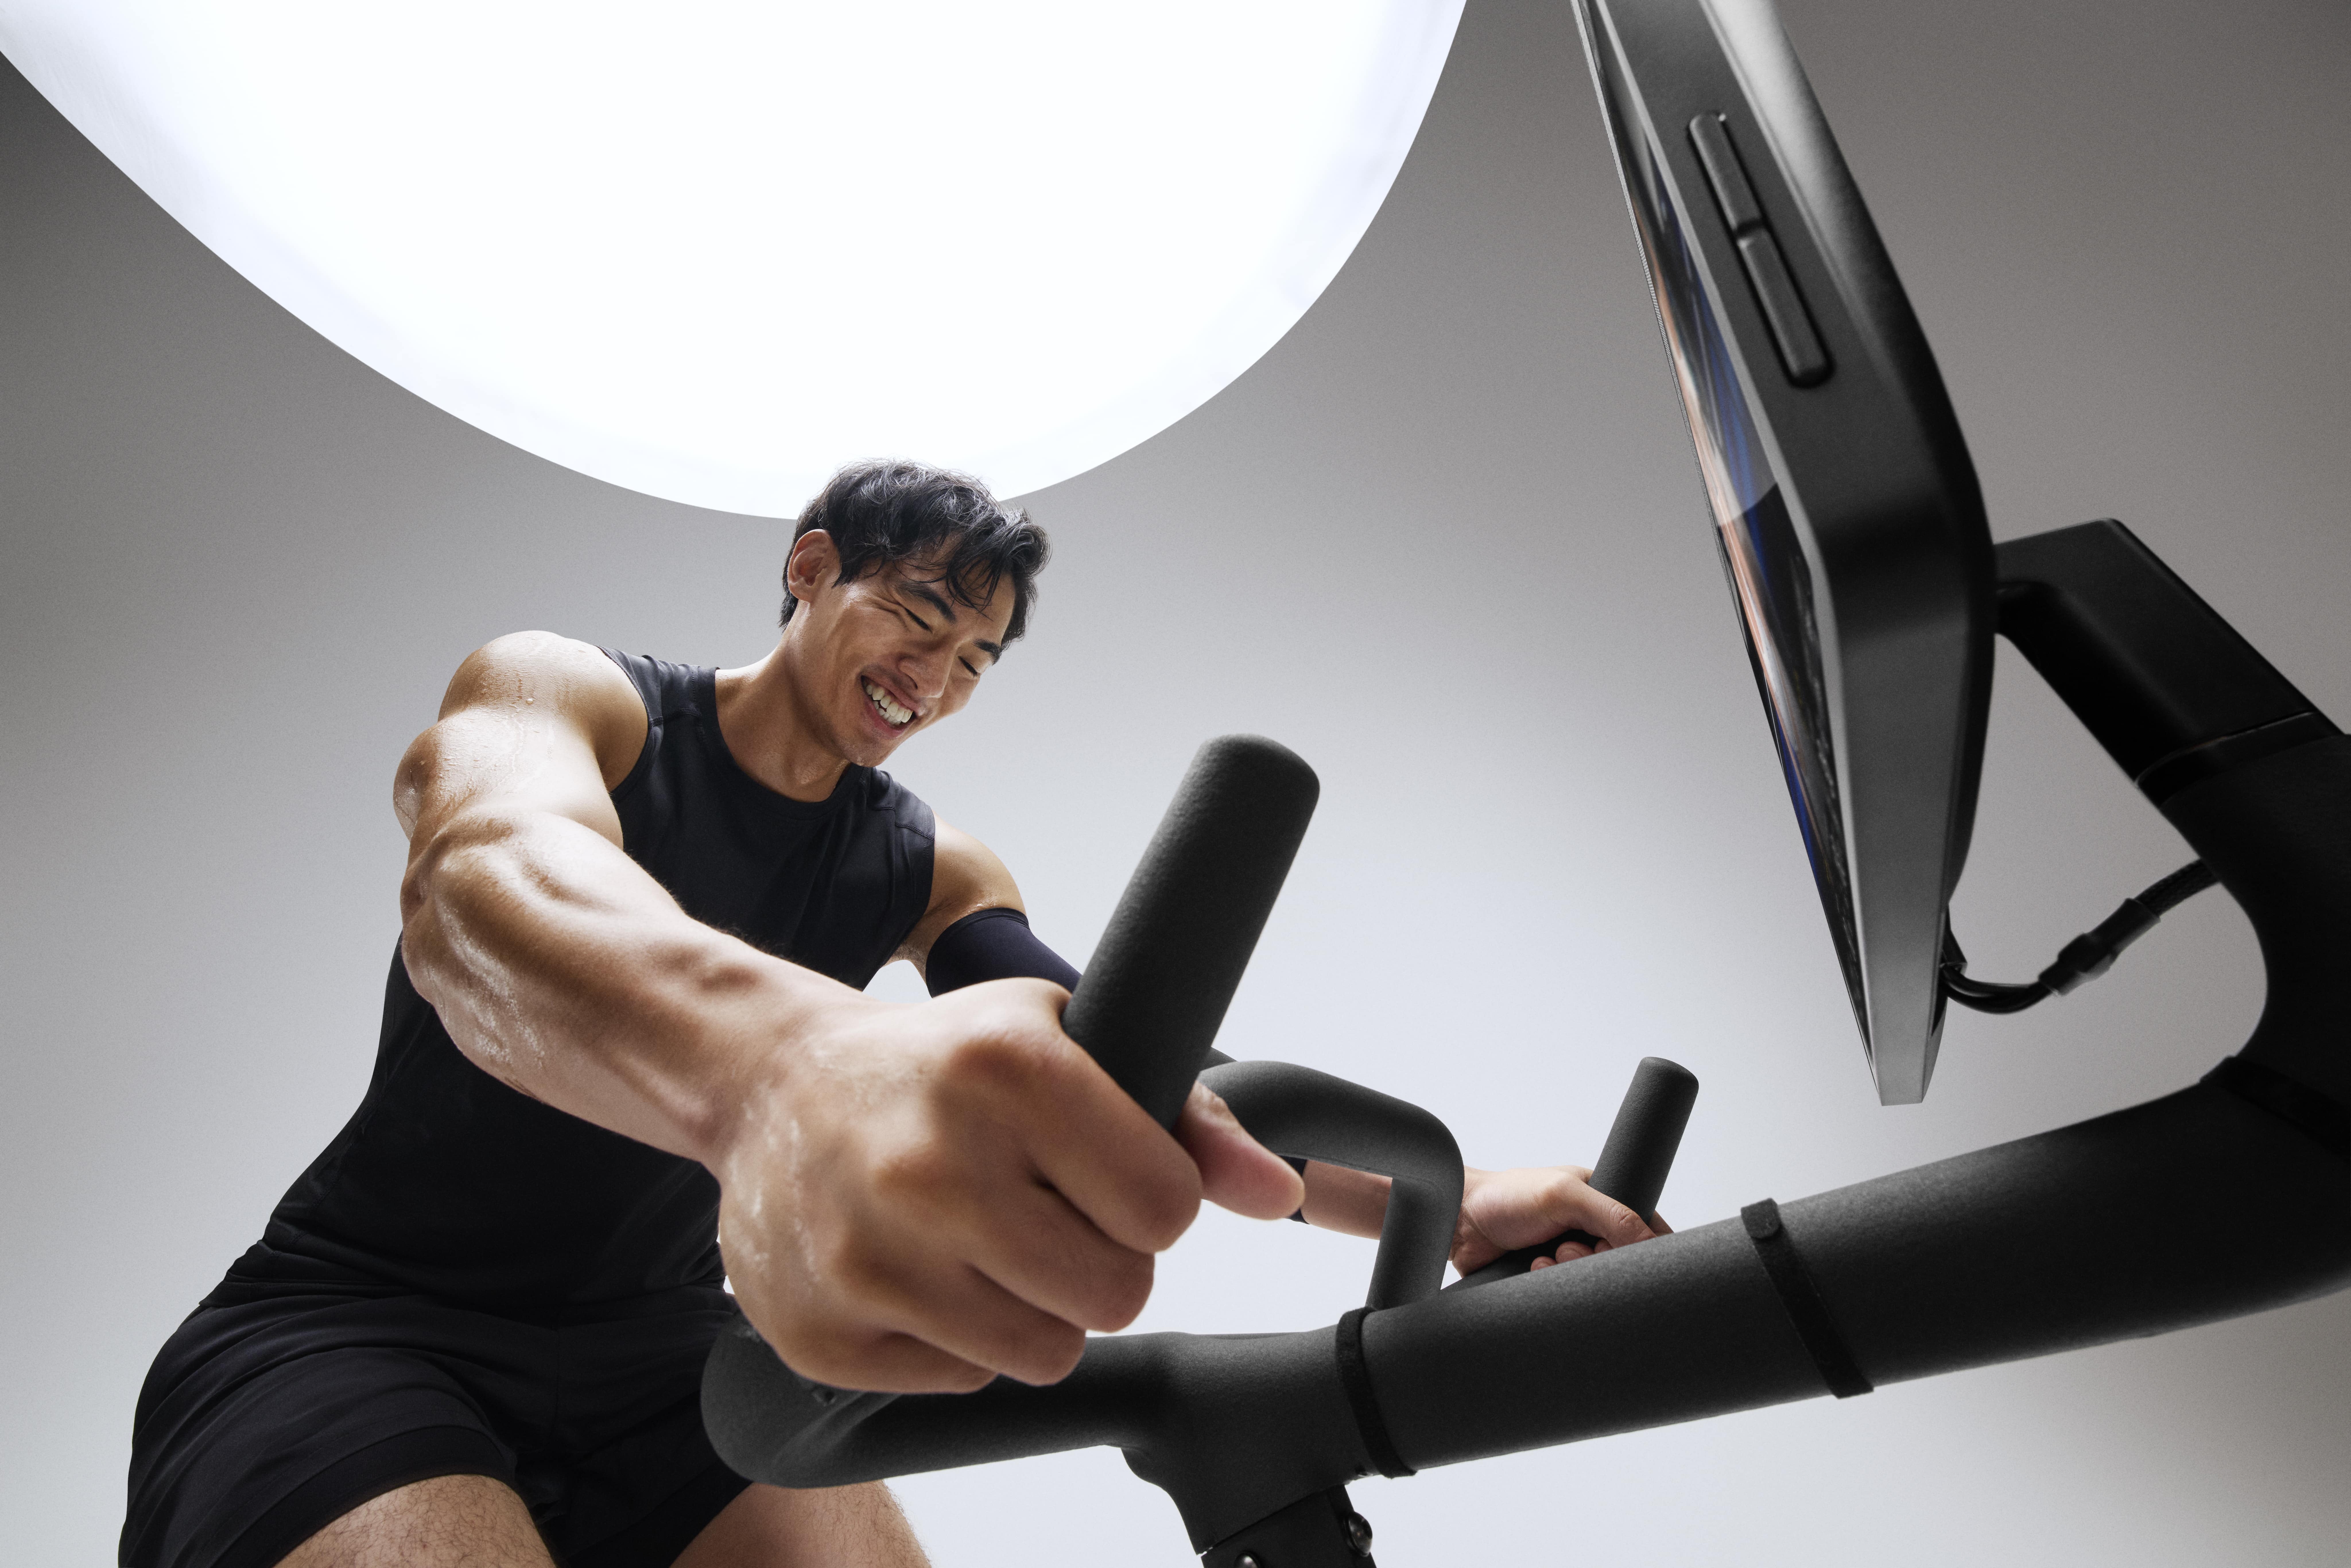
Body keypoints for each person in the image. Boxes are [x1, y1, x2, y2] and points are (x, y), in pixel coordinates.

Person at [121, 460, 1666, 1568]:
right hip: (356, 1327)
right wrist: (783, 1064)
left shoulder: (924, 861)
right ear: (810, 570)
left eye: (976, 656)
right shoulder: (578, 698)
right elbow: (479, 886)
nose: (936, 673)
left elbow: (1114, 1070)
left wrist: (1450, 1198)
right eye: (919, 614)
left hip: (665, 1365)